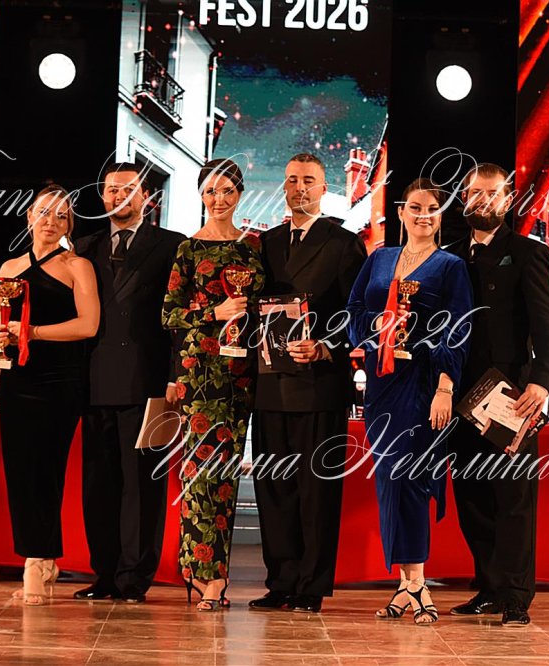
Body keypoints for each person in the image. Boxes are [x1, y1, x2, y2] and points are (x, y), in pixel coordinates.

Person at [346, 178, 473, 625]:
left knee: (413, 480)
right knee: (390, 483)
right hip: (382, 385)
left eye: (432, 208)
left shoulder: (450, 266)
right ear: (401, 212)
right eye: (415, 207)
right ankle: (405, 585)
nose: (423, 215)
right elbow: (353, 312)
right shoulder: (379, 259)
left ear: (441, 216)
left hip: (423, 386)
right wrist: (381, 324)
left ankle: (417, 583)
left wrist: (444, 387)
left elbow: (458, 330)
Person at [249, 153, 367, 614]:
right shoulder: (266, 243)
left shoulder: (344, 243)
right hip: (270, 383)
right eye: (292, 179)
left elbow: (359, 314)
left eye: (309, 181)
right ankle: (280, 582)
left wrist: (325, 347)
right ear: (284, 186)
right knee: (273, 489)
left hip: (319, 384)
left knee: (316, 492)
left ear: (324, 189)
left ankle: (311, 587)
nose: (299, 187)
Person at [446, 163, 549, 626]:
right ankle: (490, 588)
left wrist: (541, 382)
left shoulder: (528, 253)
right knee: (471, 496)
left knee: (513, 499)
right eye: (475, 193)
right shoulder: (450, 256)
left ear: (507, 200)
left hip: (511, 396)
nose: (483, 201)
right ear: (464, 199)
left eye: (492, 193)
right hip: (459, 398)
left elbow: (546, 324)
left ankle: (515, 596)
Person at [74, 162, 184, 603]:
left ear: (146, 196)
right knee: (99, 485)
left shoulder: (172, 245)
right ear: (102, 197)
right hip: (93, 384)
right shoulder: (83, 248)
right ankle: (104, 575)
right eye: (111, 189)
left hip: (149, 384)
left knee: (143, 487)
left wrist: (176, 377)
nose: (119, 196)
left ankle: (134, 579)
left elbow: (179, 321)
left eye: (128, 189)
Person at [0, 184, 99, 605]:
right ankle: (40, 557)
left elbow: (88, 325)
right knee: (21, 472)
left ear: (69, 224)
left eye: (61, 215)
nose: (51, 221)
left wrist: (32, 332)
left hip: (61, 380)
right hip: (18, 380)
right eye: (44, 212)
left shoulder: (78, 266)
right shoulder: (10, 266)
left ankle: (38, 561)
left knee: (47, 470)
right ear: (29, 216)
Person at [162, 159, 265, 611]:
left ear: (239, 194)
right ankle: (204, 576)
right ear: (200, 195)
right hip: (198, 373)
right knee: (198, 473)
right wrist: (213, 314)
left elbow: (266, 309)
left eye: (226, 191)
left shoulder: (254, 248)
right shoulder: (187, 249)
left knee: (225, 475)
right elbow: (168, 314)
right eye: (210, 191)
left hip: (240, 373)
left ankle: (214, 576)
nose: (218, 199)